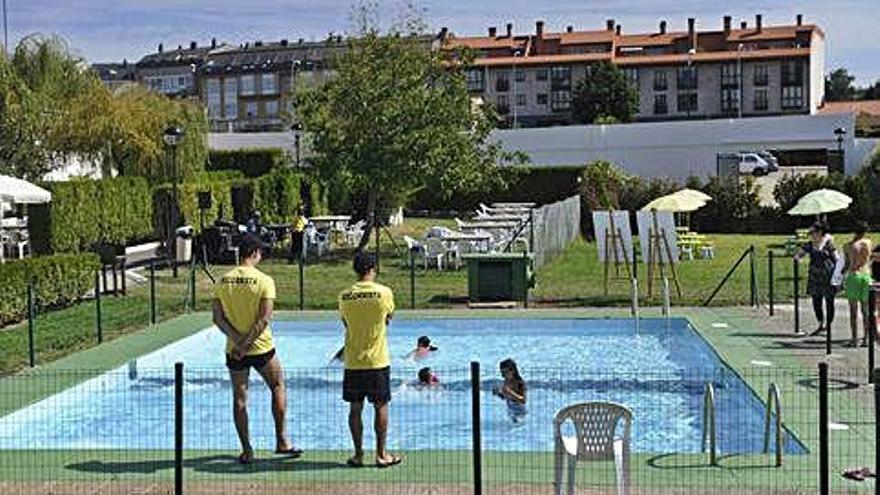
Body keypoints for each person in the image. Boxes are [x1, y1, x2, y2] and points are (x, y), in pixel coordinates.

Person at [212, 234, 301, 464]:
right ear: (253, 253)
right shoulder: (264, 280)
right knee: (278, 385)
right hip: (261, 348)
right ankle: (282, 442)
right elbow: (263, 320)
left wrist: (238, 343)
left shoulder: (222, 281)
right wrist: (247, 343)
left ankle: (247, 450)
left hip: (234, 350)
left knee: (240, 399)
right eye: (260, 252)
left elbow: (218, 319)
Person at [338, 251, 403, 468]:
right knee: (381, 406)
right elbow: (388, 319)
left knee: (355, 409)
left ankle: (358, 454)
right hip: (377, 361)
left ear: (355, 270)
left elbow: (346, 323)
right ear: (373, 268)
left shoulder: (345, 295)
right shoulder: (384, 293)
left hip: (353, 361)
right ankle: (381, 454)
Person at [795, 222, 844, 336]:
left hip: (828, 276)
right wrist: (798, 258)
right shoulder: (810, 244)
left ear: (820, 232)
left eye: (813, 232)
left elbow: (837, 259)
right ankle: (820, 323)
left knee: (829, 301)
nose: (811, 234)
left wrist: (839, 275)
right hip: (814, 276)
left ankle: (828, 325)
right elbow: (799, 254)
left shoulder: (829, 244)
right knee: (816, 301)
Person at [843, 222, 874, 347]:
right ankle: (866, 338)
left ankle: (854, 338)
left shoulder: (848, 246)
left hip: (853, 276)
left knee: (853, 310)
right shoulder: (868, 243)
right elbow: (869, 258)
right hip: (866, 275)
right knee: (866, 309)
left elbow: (847, 264)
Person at [492, 359, 527, 423]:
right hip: (510, 411)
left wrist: (510, 392)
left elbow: (523, 400)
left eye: (505, 372)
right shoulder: (506, 381)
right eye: (501, 373)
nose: (502, 375)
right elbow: (505, 397)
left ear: (513, 371)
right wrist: (498, 394)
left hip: (519, 413)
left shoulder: (520, 383)